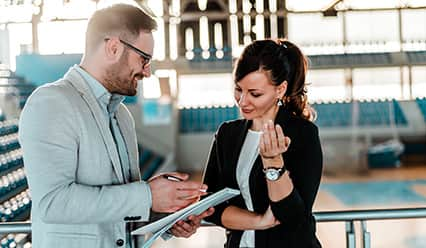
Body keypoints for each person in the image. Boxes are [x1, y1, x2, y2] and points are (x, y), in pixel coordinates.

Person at [18, 4, 212, 248]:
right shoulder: (52, 102)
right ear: (113, 47)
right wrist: (148, 196)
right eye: (144, 59)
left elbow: (119, 210)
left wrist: (165, 216)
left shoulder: (121, 115)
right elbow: (53, 203)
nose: (147, 72)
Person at [203, 39, 323, 248]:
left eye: (255, 94)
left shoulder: (302, 134)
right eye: (239, 89)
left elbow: (292, 216)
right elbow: (209, 206)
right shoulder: (227, 134)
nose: (242, 101)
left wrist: (273, 163)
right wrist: (258, 221)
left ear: (280, 89)